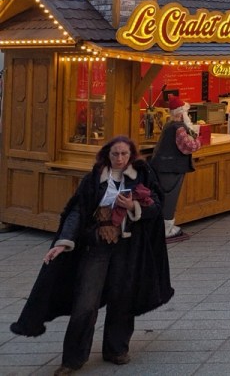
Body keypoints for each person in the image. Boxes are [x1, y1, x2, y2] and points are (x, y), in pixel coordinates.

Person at [10, 136, 173, 374]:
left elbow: (156, 207)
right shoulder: (93, 180)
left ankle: (116, 350)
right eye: (115, 154)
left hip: (127, 248)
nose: (119, 159)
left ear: (131, 156)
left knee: (122, 298)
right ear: (107, 154)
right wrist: (63, 243)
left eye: (124, 154)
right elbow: (76, 211)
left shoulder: (142, 176)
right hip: (97, 246)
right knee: (85, 302)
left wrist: (133, 207)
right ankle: (72, 359)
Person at [150, 96, 199, 239]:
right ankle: (166, 229)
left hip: (162, 166)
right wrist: (198, 141)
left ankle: (162, 227)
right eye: (186, 113)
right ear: (180, 113)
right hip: (172, 168)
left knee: (163, 197)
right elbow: (188, 147)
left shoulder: (168, 125)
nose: (187, 116)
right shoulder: (179, 128)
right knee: (170, 198)